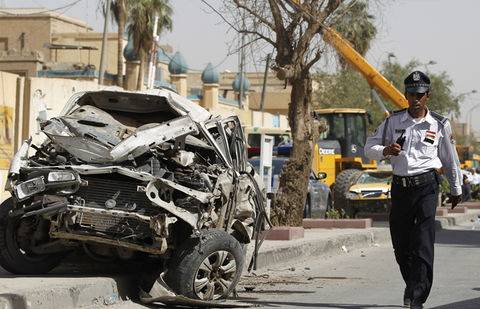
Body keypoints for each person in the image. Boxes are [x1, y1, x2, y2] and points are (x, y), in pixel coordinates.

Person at [364, 71, 462, 309]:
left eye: (420, 94)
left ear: (427, 95)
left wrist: (456, 188)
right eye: (411, 94)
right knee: (401, 245)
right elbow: (369, 147)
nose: (415, 98)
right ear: (405, 95)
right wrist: (386, 151)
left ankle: (417, 296)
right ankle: (413, 284)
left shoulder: (439, 124)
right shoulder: (392, 121)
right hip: (401, 188)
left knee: (422, 242)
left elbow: (450, 159)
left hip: (427, 187)